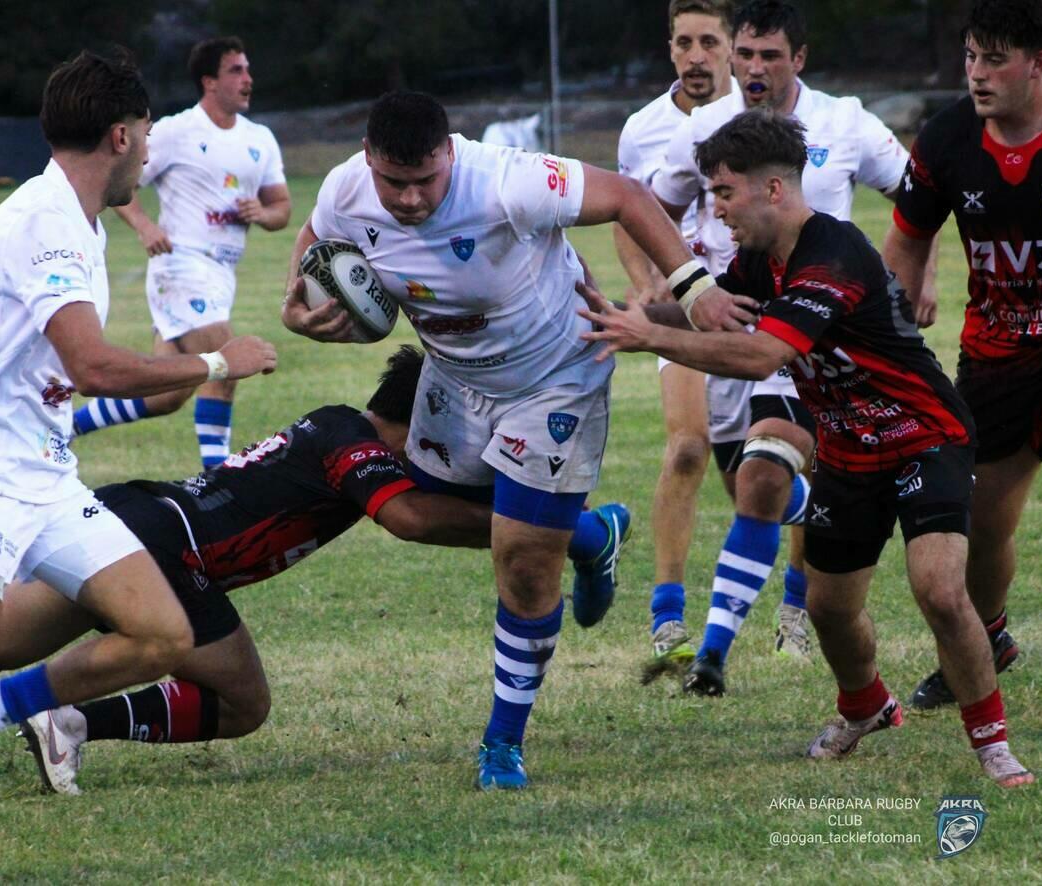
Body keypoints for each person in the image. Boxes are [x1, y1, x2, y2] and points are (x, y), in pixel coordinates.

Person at [281, 91, 755, 790]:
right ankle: (590, 537)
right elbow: (317, 243)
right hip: (454, 381)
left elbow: (625, 196)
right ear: (368, 162)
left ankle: (502, 742)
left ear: (451, 154)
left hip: (556, 377)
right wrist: (299, 304)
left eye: (425, 181)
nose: (409, 200)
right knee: (413, 513)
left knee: (526, 562)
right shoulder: (347, 187)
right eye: (393, 182)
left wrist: (693, 288)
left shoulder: (508, 179)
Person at [0, 50, 278, 836]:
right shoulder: (46, 224)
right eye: (149, 135)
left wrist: (172, 378)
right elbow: (90, 363)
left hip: (49, 476)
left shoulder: (77, 218)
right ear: (121, 136)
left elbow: (84, 369)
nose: (153, 152)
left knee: (162, 634)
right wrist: (219, 360)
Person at [580, 109, 1034, 788]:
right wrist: (629, 314)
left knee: (939, 590)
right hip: (850, 449)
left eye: (724, 193)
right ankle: (866, 706)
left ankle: (992, 743)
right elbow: (717, 311)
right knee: (827, 607)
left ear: (772, 190)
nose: (716, 210)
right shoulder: (761, 261)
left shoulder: (834, 254)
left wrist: (653, 341)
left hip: (923, 435)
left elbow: (762, 351)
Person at [0, 347, 497, 796]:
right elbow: (411, 518)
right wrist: (540, 530)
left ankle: (61, 720)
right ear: (425, 422)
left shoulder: (341, 426)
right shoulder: (353, 442)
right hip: (174, 547)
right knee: (243, 700)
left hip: (143, 518)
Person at [644, 0, 912, 694]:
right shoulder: (705, 128)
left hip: (820, 342)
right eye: (747, 54)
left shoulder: (844, 121)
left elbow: (918, 192)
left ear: (800, 58)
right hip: (736, 318)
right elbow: (644, 209)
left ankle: (750, 628)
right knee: (754, 484)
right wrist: (669, 291)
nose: (754, 67)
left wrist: (914, 271)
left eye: (770, 55)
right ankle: (721, 641)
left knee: (756, 471)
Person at [883, 0, 1042, 731]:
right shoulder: (947, 138)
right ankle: (986, 635)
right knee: (982, 523)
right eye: (970, 56)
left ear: (1037, 63)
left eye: (995, 59)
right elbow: (905, 241)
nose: (978, 73)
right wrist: (891, 345)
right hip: (993, 353)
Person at [74, 36, 292, 469]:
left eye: (248, 70)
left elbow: (282, 208)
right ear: (209, 81)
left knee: (165, 397)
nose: (248, 79)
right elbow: (119, 180)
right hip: (180, 266)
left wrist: (262, 213)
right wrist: (144, 225)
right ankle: (220, 478)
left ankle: (63, 428)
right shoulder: (177, 131)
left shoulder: (260, 139)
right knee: (224, 360)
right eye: (236, 70)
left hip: (222, 273)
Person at [614, 0, 741, 680]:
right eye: (684, 42)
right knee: (688, 445)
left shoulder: (755, 115)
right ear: (669, 48)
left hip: (754, 310)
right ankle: (668, 612)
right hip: (685, 314)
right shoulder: (644, 129)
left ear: (730, 48)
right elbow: (623, 216)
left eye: (708, 42)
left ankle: (797, 606)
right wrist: (645, 286)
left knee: (761, 471)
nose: (696, 56)